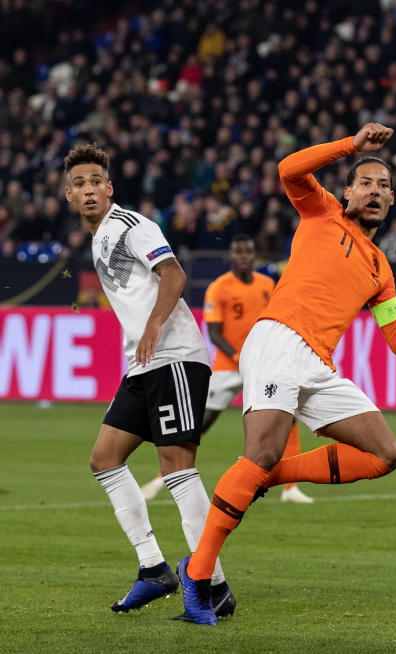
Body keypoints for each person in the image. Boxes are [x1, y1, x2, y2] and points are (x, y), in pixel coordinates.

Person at [177, 123, 396, 625]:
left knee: (386, 453)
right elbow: (287, 169)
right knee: (260, 451)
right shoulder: (321, 211)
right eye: (366, 182)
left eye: (385, 187)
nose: (377, 191)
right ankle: (199, 575)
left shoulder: (381, 268)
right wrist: (351, 146)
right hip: (278, 339)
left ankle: (270, 476)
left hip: (318, 363)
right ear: (347, 190)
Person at [62, 143, 234, 617]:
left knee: (177, 465)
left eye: (96, 180)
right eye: (79, 183)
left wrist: (156, 323)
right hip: (143, 364)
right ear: (68, 194)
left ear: (109, 188)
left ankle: (212, 585)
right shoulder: (96, 240)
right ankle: (153, 568)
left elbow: (174, 275)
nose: (89, 189)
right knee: (104, 459)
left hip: (175, 356)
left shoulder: (131, 226)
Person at [140, 233, 313, 504]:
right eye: (238, 252)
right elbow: (215, 333)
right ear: (230, 256)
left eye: (248, 252)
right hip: (228, 367)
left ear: (254, 255)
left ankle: (291, 489)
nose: (244, 256)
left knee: (288, 415)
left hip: (262, 365)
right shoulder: (219, 288)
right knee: (201, 422)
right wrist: (240, 355)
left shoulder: (268, 284)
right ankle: (166, 475)